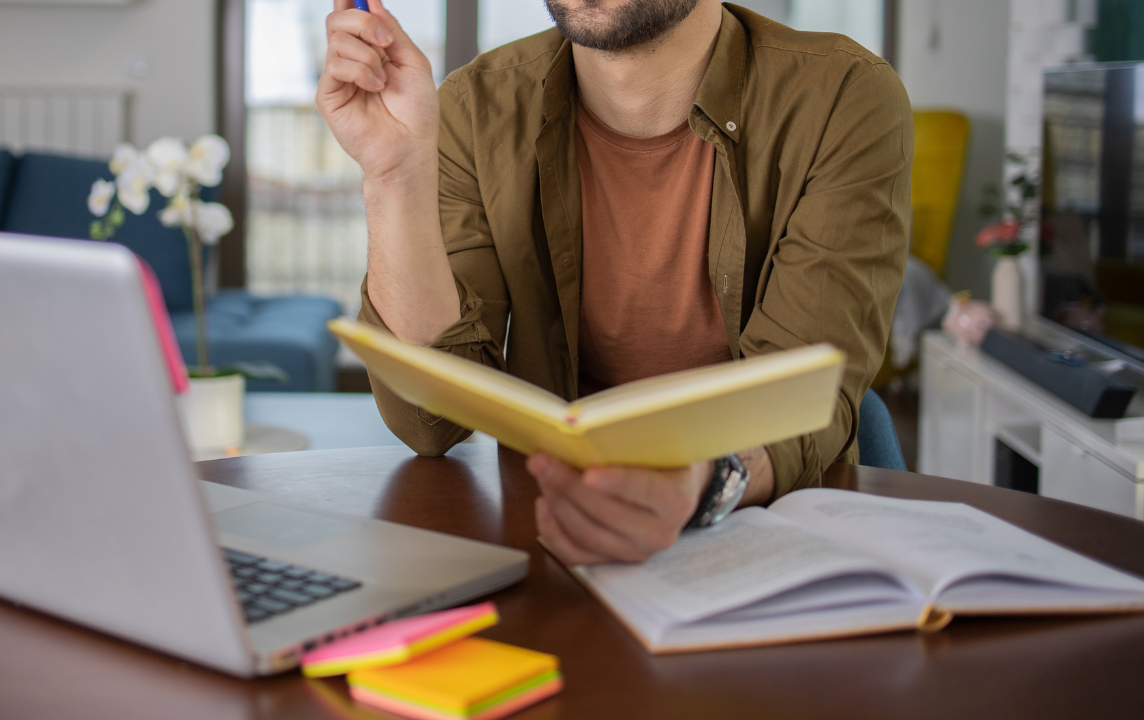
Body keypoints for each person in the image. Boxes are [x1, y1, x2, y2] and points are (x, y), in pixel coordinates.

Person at [317, 0, 911, 565]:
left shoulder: (843, 97)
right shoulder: (477, 106)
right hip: (556, 537)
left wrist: (697, 483)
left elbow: (802, 399)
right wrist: (394, 176)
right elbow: (430, 421)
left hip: (763, 531)